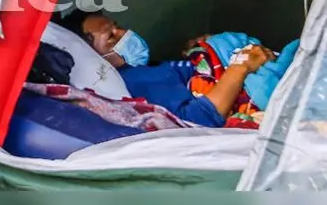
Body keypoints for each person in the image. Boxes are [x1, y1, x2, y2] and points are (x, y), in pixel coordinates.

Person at [62, 11, 277, 128]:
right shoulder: (134, 80)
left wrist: (201, 54)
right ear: (93, 58)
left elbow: (185, 82)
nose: (124, 33)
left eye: (117, 25)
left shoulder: (143, 70)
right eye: (111, 37)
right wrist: (240, 67)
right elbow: (198, 119)